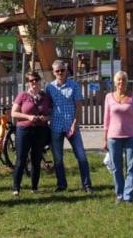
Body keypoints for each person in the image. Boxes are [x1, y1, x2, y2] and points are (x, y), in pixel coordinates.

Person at [46, 59, 93, 193]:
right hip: (56, 126)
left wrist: (75, 124)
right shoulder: (49, 87)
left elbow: (78, 107)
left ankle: (87, 184)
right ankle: (61, 184)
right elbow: (48, 107)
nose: (60, 73)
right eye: (57, 71)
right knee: (58, 158)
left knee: (81, 156)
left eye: (62, 70)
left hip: (72, 126)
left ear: (66, 71)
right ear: (53, 73)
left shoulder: (74, 86)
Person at [11, 71, 52, 196]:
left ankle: (34, 187)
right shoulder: (22, 95)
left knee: (36, 159)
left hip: (40, 130)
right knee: (21, 159)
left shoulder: (45, 96)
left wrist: (46, 118)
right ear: (28, 83)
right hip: (24, 130)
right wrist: (28, 117)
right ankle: (16, 187)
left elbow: (50, 113)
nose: (34, 82)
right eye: (31, 80)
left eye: (36, 80)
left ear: (40, 81)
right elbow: (14, 113)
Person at [104, 71, 133, 204]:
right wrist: (105, 138)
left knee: (131, 167)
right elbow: (106, 119)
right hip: (113, 137)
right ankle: (119, 194)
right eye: (119, 80)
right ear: (115, 82)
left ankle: (128, 195)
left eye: (124, 80)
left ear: (127, 82)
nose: (121, 82)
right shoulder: (108, 97)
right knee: (116, 167)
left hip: (131, 136)